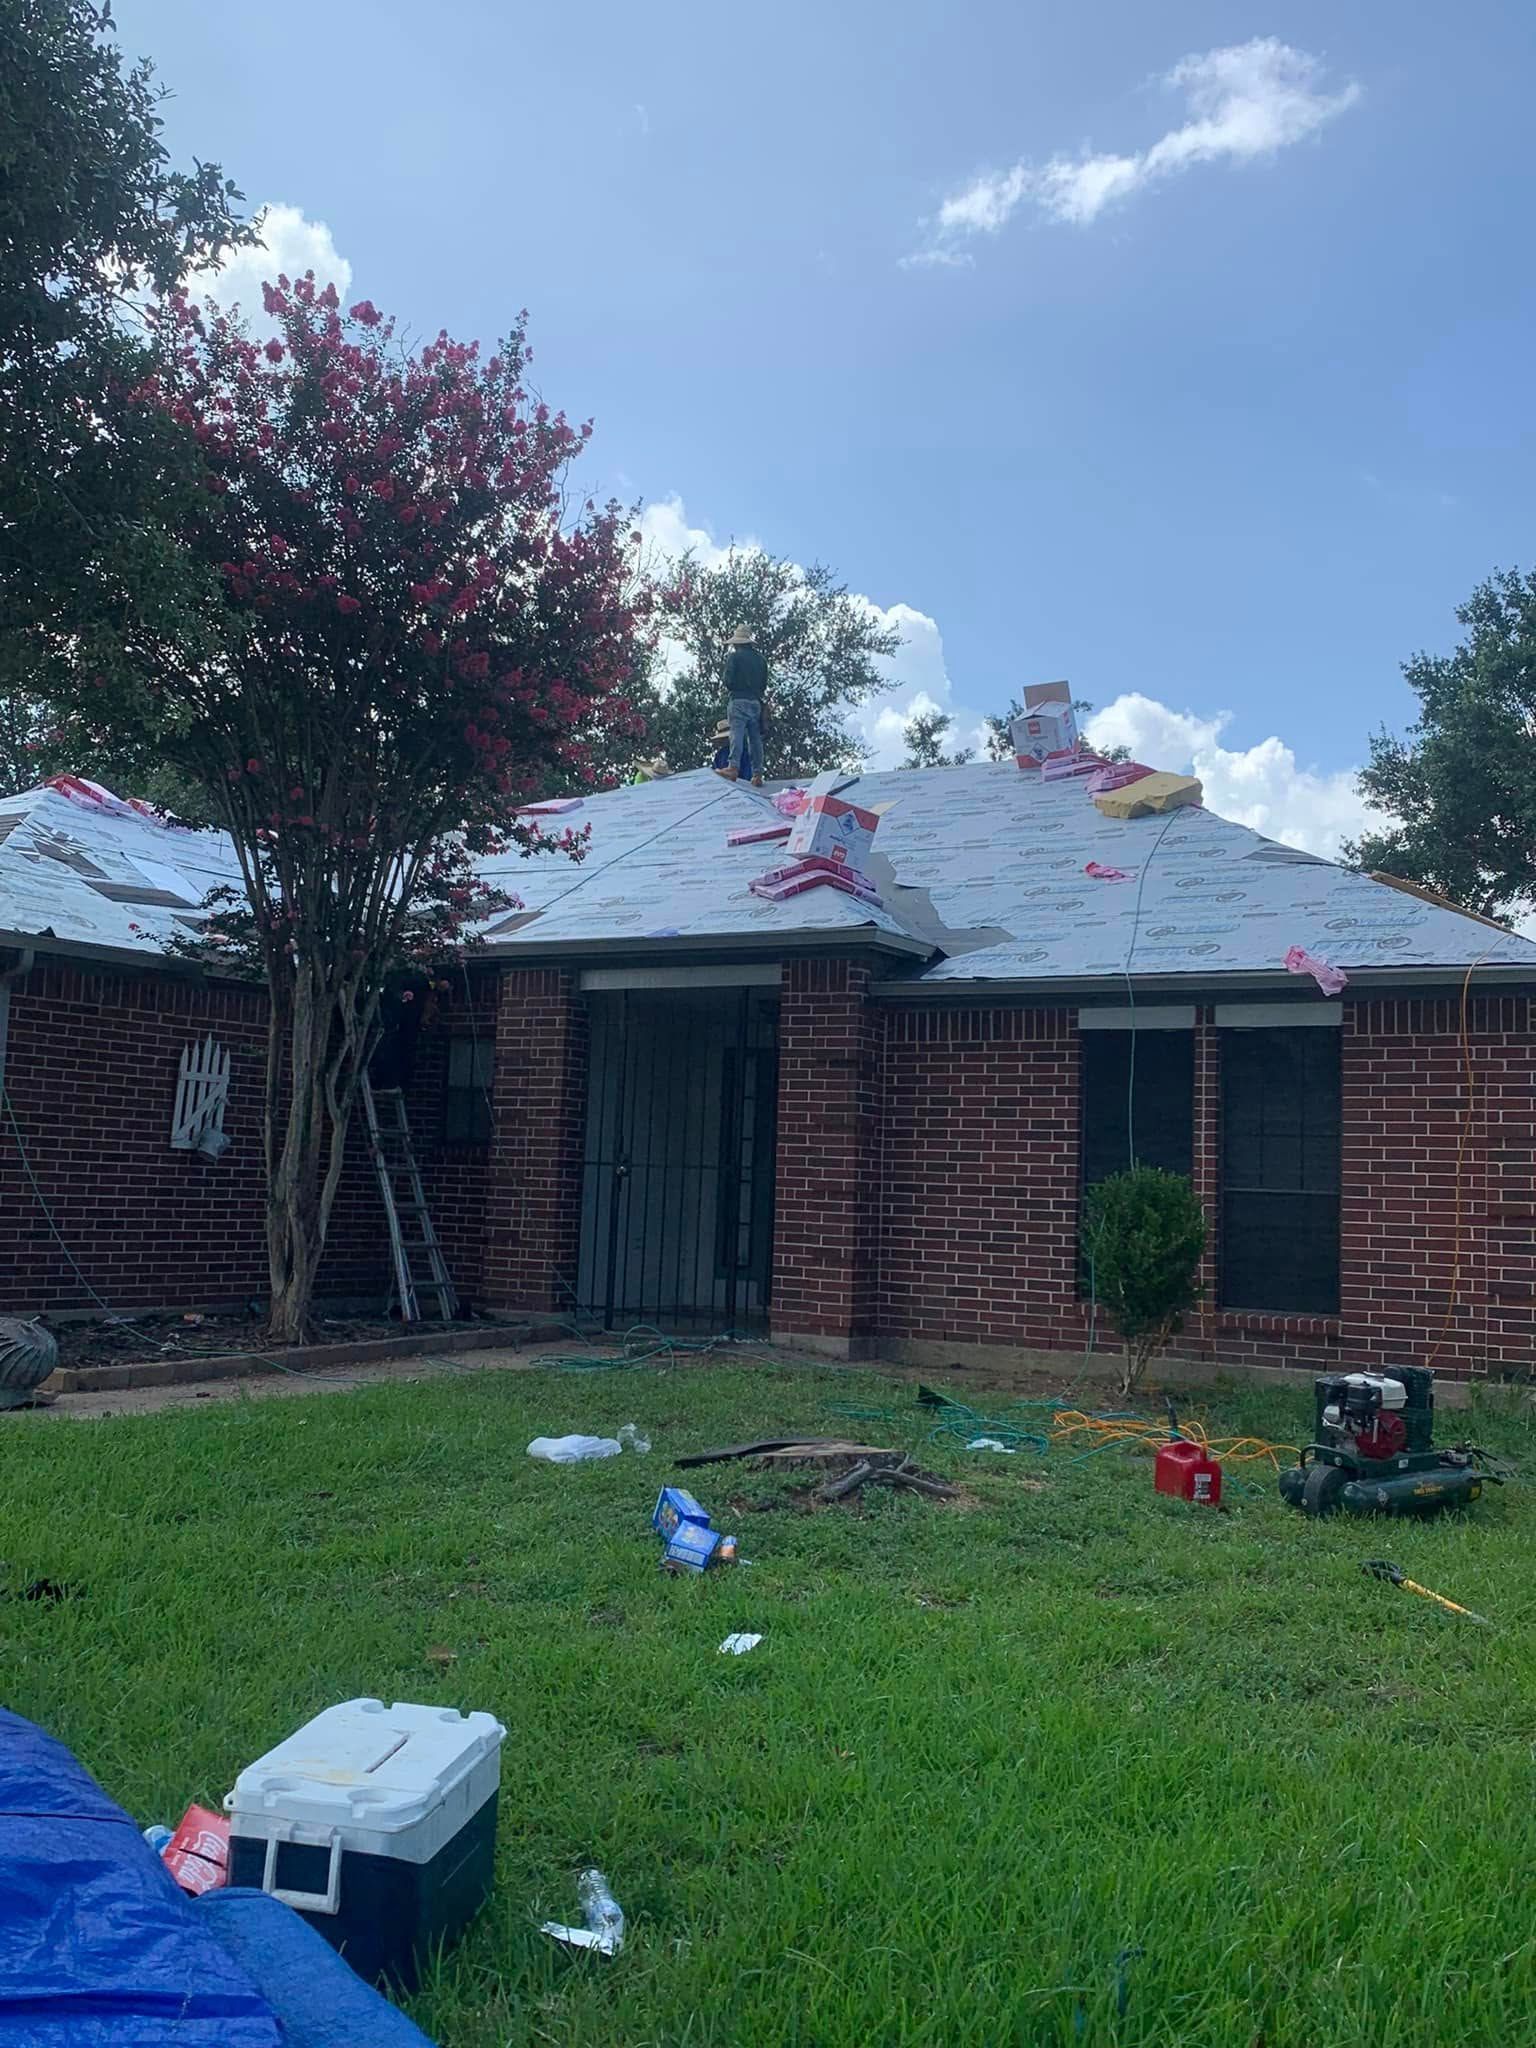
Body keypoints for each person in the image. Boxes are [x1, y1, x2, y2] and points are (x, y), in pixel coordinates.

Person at [721, 624, 768, 785]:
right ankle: (758, 774)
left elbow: (728, 681)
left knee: (736, 733)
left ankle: (733, 767)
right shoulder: (761, 660)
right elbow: (763, 684)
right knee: (755, 739)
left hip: (738, 700)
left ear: (737, 643)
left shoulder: (734, 657)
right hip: (755, 702)